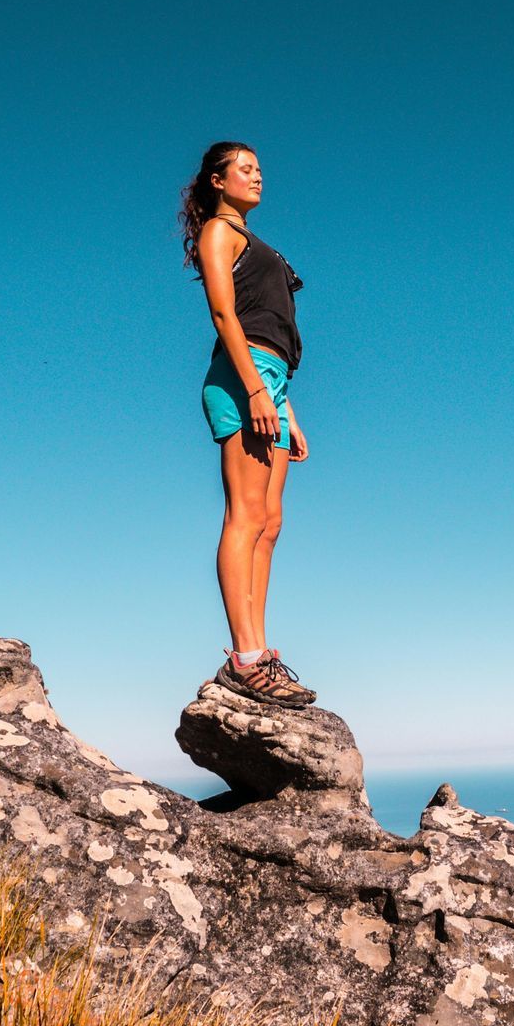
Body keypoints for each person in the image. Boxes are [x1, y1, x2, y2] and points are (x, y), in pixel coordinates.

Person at [180, 141, 317, 706]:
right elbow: (224, 313)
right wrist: (258, 390)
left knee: (270, 522)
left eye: (261, 168)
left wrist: (286, 408)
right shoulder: (220, 231)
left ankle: (262, 650)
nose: (257, 176)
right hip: (245, 375)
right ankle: (245, 659)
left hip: (272, 381)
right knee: (245, 514)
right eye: (244, 169)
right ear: (217, 180)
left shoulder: (259, 242)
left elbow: (275, 327)